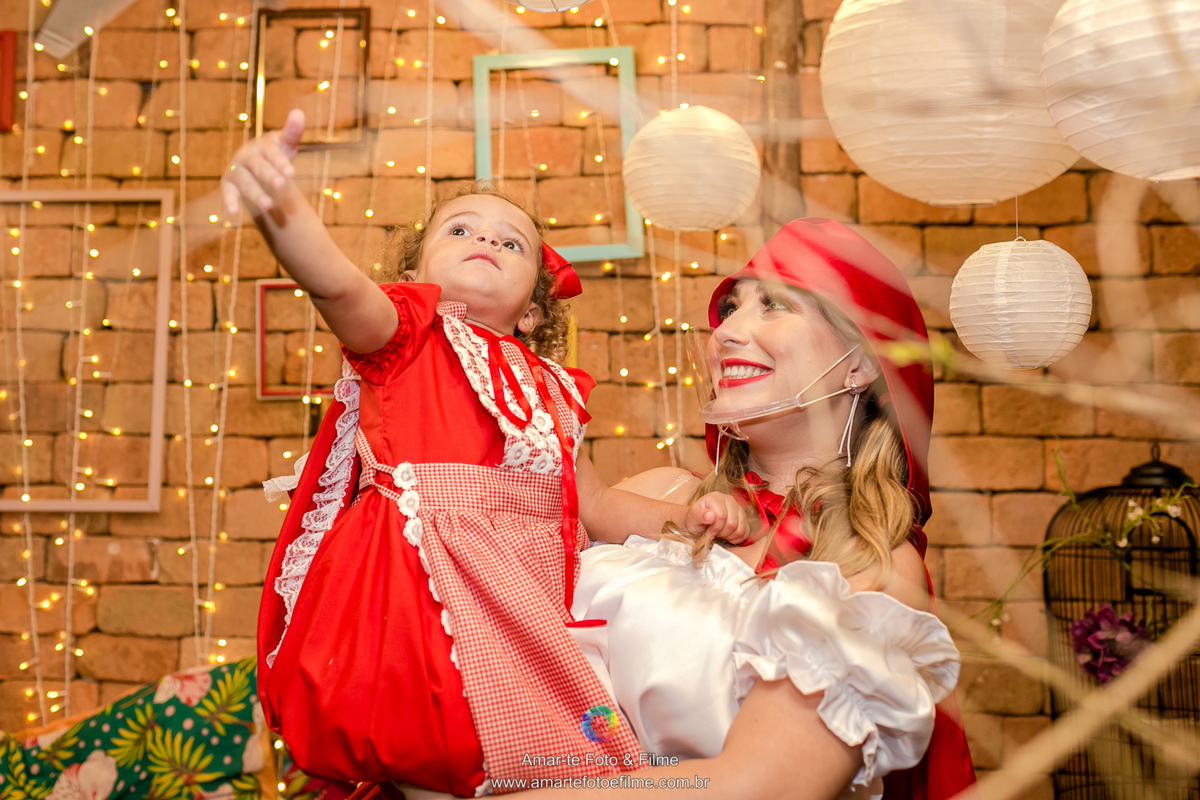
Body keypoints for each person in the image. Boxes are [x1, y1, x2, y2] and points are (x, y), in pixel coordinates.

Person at [220, 109, 747, 796]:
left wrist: (694, 519)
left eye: (511, 243)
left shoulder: (556, 391)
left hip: (522, 609)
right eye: (461, 229)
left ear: (532, 309)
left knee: (553, 769)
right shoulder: (404, 337)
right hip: (418, 593)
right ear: (414, 271)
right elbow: (337, 285)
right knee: (437, 751)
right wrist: (280, 207)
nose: (486, 242)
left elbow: (599, 506)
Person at [351, 219, 969, 800]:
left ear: (862, 362)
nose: (725, 331)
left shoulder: (869, 566)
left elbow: (746, 788)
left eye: (773, 304)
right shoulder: (659, 498)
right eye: (730, 309)